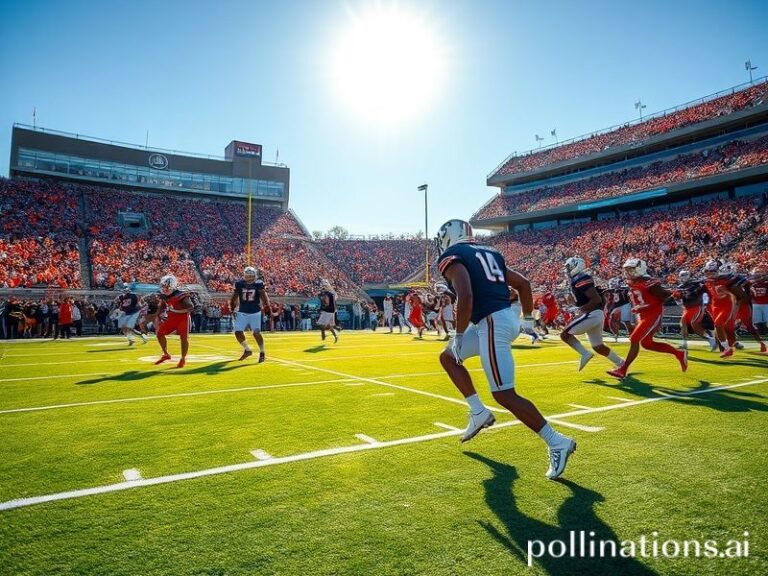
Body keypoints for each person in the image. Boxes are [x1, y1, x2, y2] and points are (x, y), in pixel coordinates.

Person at [435, 219, 576, 480]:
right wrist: (527, 319)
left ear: (447, 237)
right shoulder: (490, 252)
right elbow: (522, 283)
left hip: (490, 323)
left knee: (504, 394)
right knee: (448, 358)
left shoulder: (452, 256)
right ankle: (478, 412)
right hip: (500, 320)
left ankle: (557, 441)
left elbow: (467, 296)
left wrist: (458, 334)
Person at [607, 258, 688, 379]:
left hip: (653, 314)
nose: (628, 272)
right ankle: (679, 353)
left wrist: (674, 293)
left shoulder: (649, 282)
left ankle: (623, 369)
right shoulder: (633, 282)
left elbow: (665, 296)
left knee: (634, 339)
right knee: (647, 344)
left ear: (640, 269)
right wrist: (639, 308)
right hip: (643, 315)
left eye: (631, 269)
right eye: (627, 270)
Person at [560, 257, 624, 372]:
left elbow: (595, 299)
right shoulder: (578, 279)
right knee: (598, 346)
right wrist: (575, 305)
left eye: (569, 267)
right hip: (595, 315)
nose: (567, 270)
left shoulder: (581, 278)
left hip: (592, 314)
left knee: (565, 334)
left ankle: (585, 353)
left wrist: (579, 310)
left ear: (576, 266)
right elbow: (587, 299)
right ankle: (621, 363)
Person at [702, 259, 746, 358]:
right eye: (707, 271)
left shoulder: (727, 280)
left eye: (712, 271)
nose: (709, 273)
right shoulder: (706, 282)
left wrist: (728, 292)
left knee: (719, 324)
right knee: (719, 327)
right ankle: (727, 348)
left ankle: (729, 347)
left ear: (719, 270)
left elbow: (740, 288)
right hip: (714, 306)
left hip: (727, 304)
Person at [230, 266, 270, 362]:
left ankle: (262, 352)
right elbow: (234, 297)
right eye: (247, 276)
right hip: (242, 311)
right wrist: (232, 308)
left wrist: (267, 306)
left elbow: (264, 296)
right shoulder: (239, 284)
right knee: (238, 332)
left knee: (256, 333)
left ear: (254, 276)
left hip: (255, 312)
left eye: (251, 276)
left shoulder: (258, 284)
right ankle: (247, 350)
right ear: (244, 276)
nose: (249, 278)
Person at [154, 275, 194, 368]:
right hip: (171, 317)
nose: (165, 289)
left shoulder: (181, 295)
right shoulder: (163, 296)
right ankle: (166, 354)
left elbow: (191, 307)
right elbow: (162, 306)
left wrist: (176, 311)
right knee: (159, 333)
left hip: (183, 318)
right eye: (163, 286)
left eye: (167, 286)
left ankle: (183, 358)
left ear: (172, 286)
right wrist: (158, 315)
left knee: (184, 338)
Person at [672, 270, 717, 351]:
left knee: (695, 326)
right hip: (687, 309)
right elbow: (678, 300)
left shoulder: (696, 284)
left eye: (684, 276)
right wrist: (677, 297)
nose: (683, 278)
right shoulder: (680, 287)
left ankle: (711, 339)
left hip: (696, 307)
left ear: (688, 276)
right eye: (681, 276)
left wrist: (705, 302)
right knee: (683, 325)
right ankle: (685, 344)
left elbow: (705, 291)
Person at [317, 279, 339, 343]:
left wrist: (322, 307)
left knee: (321, 324)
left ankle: (323, 335)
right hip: (332, 311)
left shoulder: (327, 294)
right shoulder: (332, 294)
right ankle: (335, 336)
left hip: (327, 311)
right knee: (329, 326)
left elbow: (327, 303)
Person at [750, 264, 768, 337]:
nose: (760, 276)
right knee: (758, 321)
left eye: (762, 275)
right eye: (757, 274)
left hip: (766, 304)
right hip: (755, 304)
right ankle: (761, 334)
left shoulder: (766, 283)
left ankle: (765, 333)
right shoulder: (752, 283)